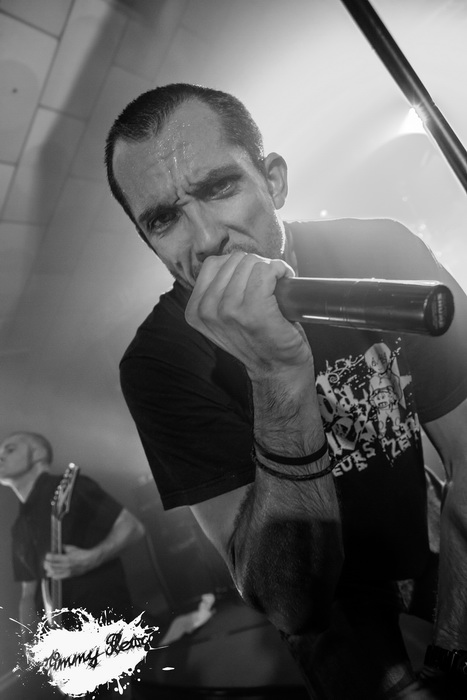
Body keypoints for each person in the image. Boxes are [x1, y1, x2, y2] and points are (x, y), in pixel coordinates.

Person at [104, 83, 467, 699]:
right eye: (164, 220)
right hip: (330, 610)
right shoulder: (159, 363)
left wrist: (456, 654)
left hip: (430, 535)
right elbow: (289, 600)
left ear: (272, 180)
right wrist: (277, 374)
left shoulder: (380, 250)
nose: (207, 239)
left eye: (220, 188)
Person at [0, 431, 145, 696]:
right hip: (64, 645)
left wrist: (90, 559)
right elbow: (28, 593)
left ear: (38, 454)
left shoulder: (69, 488)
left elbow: (133, 528)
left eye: (10, 449)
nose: (1, 455)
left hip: (104, 626)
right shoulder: (18, 526)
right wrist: (31, 643)